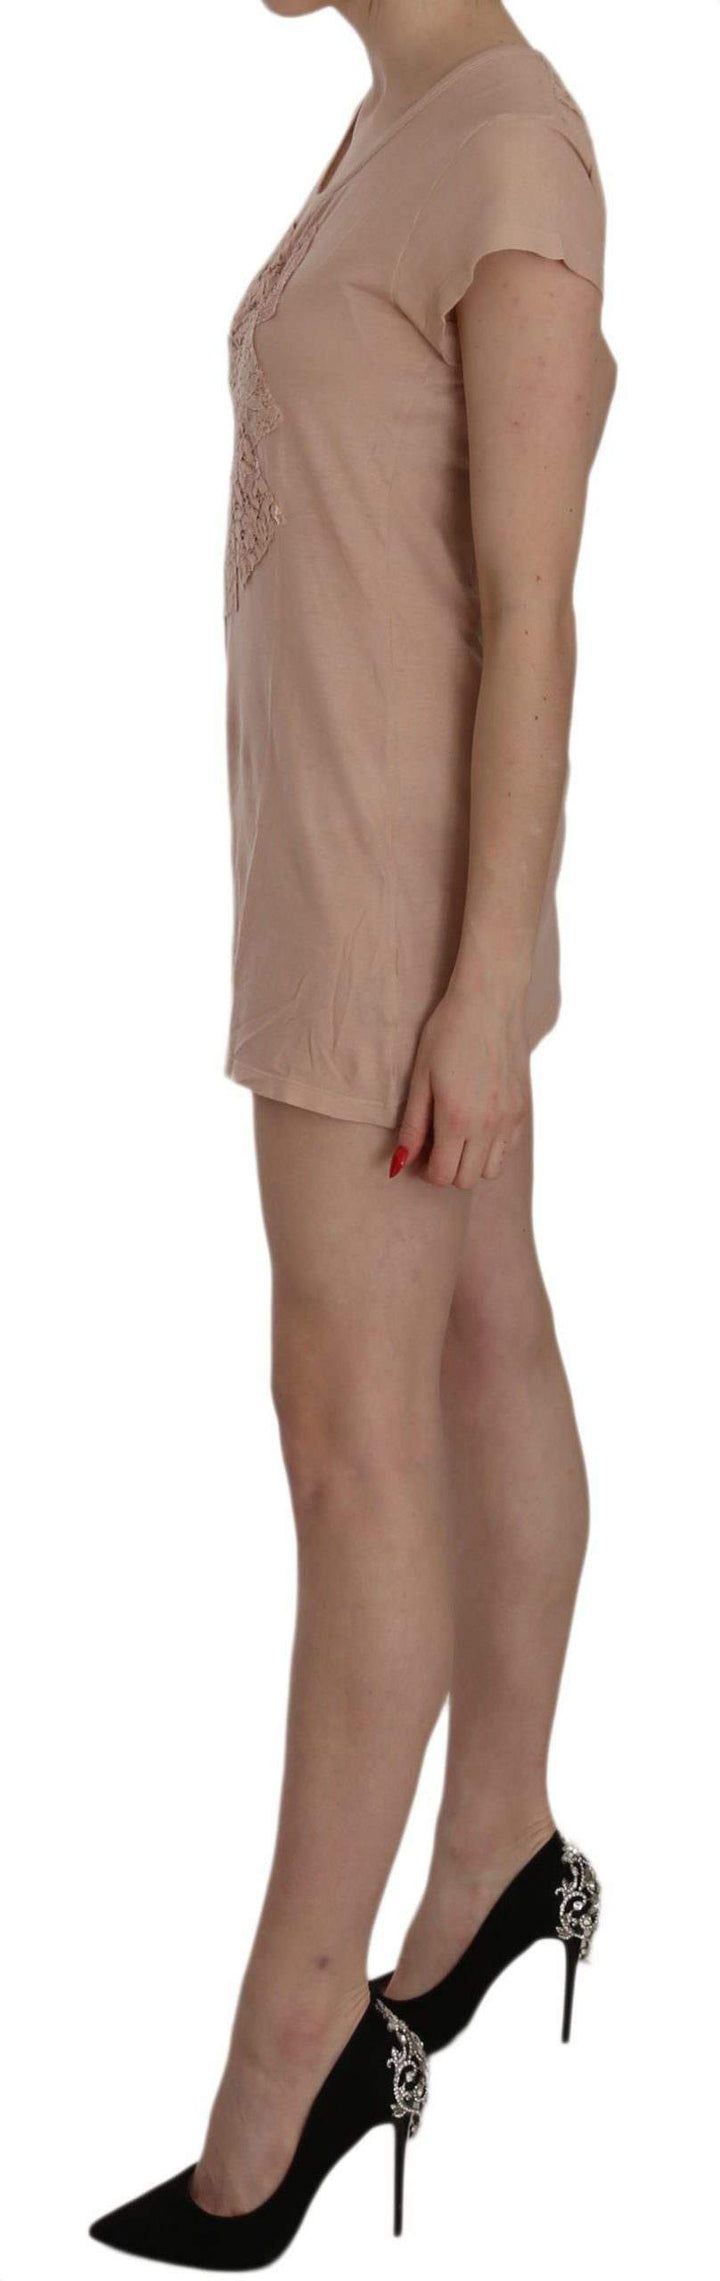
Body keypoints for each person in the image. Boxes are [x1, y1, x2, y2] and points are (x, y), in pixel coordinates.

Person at [91, 1, 616, 2264]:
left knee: (348, 1451)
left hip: (396, 930)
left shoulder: (512, 149)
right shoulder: (396, 121)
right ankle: (499, 1849)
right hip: (343, 870)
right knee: (483, 1342)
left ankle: (281, 2078)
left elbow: (534, 614)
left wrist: (478, 992)